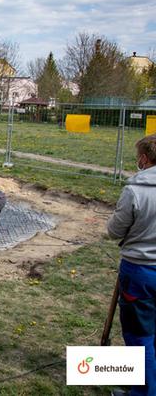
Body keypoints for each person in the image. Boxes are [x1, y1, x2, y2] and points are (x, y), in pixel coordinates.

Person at [108, 133, 156, 396]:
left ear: (144, 159)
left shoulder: (135, 190)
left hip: (141, 272)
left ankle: (143, 393)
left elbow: (115, 231)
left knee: (140, 338)